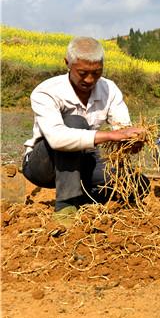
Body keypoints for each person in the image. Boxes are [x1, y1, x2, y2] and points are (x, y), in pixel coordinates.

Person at [22, 37, 145, 227]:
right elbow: (57, 139)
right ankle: (66, 206)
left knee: (136, 184)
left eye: (97, 73)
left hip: (85, 161)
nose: (90, 80)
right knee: (74, 122)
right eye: (83, 73)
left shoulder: (109, 89)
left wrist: (132, 142)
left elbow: (122, 130)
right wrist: (111, 136)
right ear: (67, 64)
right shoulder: (46, 91)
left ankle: (85, 201)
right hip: (44, 166)